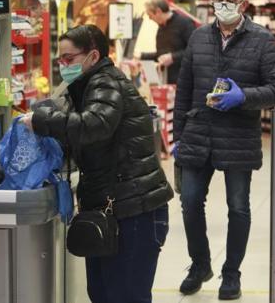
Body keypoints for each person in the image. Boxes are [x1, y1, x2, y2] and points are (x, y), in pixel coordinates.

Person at [21, 25, 174, 303]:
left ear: (92, 56)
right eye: (59, 60)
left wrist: (43, 122)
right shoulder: (82, 87)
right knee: (104, 293)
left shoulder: (105, 82)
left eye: (69, 59)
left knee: (125, 296)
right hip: (112, 207)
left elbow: (96, 124)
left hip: (133, 211)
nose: (63, 66)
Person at [173, 0, 275, 300]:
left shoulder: (262, 40)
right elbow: (184, 90)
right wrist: (178, 135)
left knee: (238, 207)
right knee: (190, 202)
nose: (222, 5)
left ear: (243, 4)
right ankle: (200, 264)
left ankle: (231, 274)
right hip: (198, 131)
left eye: (229, 0)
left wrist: (244, 96)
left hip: (238, 134)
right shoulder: (198, 37)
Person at [141, 0, 195, 84]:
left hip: (183, 81)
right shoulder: (161, 28)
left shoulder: (185, 23)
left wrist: (173, 57)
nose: (150, 19)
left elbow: (195, 51)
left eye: (150, 16)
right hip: (165, 80)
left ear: (158, 11)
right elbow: (161, 55)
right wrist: (140, 56)